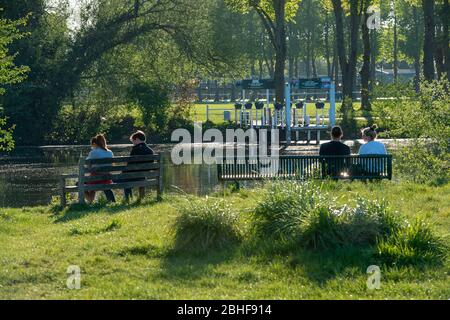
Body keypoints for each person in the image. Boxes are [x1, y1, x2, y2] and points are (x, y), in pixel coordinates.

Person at [84, 134, 116, 204]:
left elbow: (86, 164)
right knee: (92, 180)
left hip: (96, 179)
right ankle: (112, 202)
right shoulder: (110, 152)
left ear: (95, 143)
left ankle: (90, 201)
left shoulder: (93, 152)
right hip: (107, 179)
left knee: (80, 183)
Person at [124, 131, 155, 201]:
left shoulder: (135, 149)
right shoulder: (151, 151)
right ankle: (142, 198)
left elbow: (130, 165)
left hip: (133, 176)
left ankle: (128, 199)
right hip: (144, 176)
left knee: (124, 179)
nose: (133, 143)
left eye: (133, 141)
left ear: (137, 139)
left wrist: (123, 172)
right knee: (139, 178)